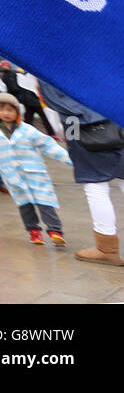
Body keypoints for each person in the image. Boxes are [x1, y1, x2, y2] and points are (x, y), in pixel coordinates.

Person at [38, 80, 124, 266]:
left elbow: (58, 113)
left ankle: (106, 248)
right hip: (116, 115)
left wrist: (71, 141)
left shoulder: (50, 60)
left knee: (95, 185)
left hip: (77, 123)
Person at [0, 92, 74, 246]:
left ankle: (55, 231)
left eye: (10, 110)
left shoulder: (28, 130)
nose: (6, 113)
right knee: (25, 205)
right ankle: (34, 231)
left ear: (17, 112)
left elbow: (47, 145)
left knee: (45, 202)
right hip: (13, 176)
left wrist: (70, 159)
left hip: (35, 173)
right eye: (2, 109)